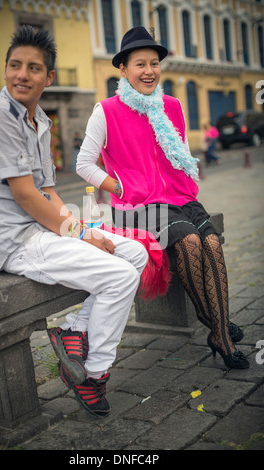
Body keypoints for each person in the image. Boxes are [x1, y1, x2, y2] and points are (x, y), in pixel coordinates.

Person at [0, 26, 149, 417]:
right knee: (120, 277)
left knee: (133, 251)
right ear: (5, 69)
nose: (21, 75)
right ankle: (93, 375)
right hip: (18, 243)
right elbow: (26, 195)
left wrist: (82, 232)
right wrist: (81, 233)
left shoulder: (40, 121)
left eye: (33, 68)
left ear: (48, 77)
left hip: (44, 230)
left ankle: (74, 329)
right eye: (14, 65)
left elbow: (48, 193)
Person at [76, 26, 249, 370]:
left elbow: (183, 151)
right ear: (123, 69)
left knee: (211, 243)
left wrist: (184, 180)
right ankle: (220, 333)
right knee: (188, 242)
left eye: (154, 63)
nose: (149, 71)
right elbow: (84, 163)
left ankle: (218, 326)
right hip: (137, 206)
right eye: (140, 64)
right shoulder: (106, 110)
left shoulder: (172, 105)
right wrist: (120, 187)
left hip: (179, 197)